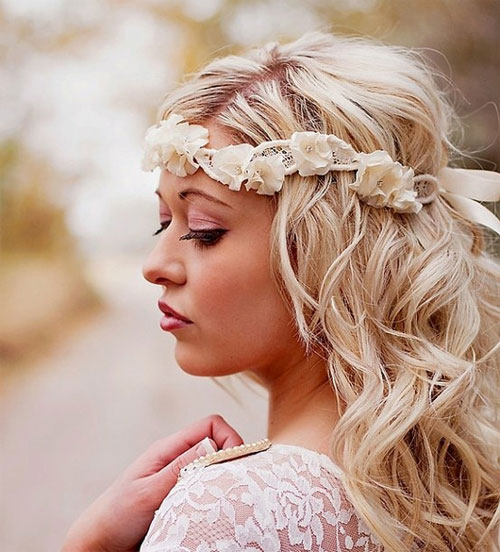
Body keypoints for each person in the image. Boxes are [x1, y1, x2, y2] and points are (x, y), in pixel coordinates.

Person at [61, 30, 500, 552]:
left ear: (329, 250)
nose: (156, 266)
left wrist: (87, 545)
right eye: (163, 222)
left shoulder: (229, 511)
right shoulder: (457, 492)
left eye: (203, 230)